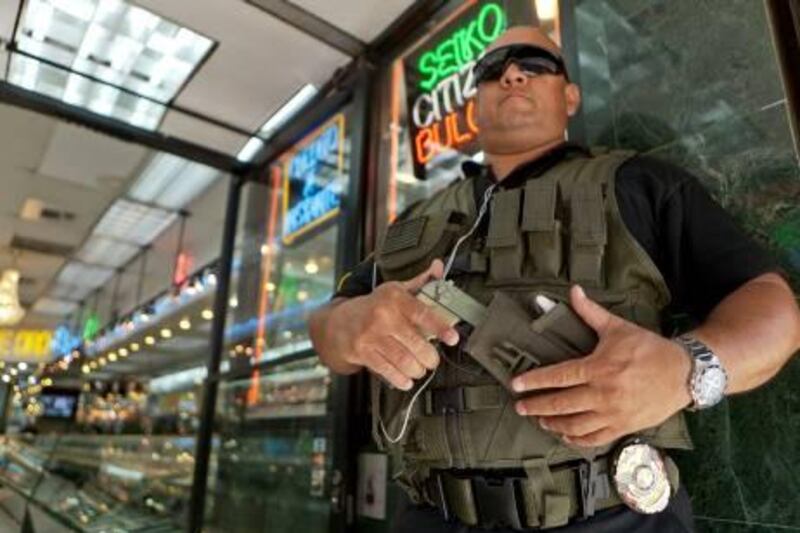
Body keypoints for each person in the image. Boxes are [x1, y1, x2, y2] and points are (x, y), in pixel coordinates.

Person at [309, 26, 800, 532]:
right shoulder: (414, 224)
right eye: (492, 70)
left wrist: (685, 371)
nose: (513, 74)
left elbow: (773, 308)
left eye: (535, 64)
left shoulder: (638, 184)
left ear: (571, 96)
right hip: (429, 514)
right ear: (474, 105)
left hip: (610, 514)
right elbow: (327, 329)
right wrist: (349, 325)